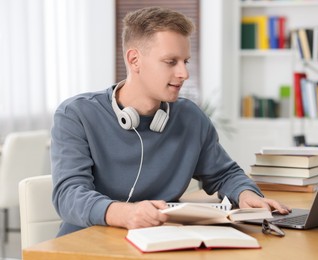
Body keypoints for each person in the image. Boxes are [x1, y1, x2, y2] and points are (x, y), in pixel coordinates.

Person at [51, 6, 290, 237]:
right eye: (170, 61)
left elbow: (225, 174)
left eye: (185, 61)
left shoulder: (190, 117)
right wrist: (125, 214)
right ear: (134, 60)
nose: (184, 73)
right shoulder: (77, 114)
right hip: (87, 244)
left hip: (160, 242)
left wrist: (245, 193)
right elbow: (69, 194)